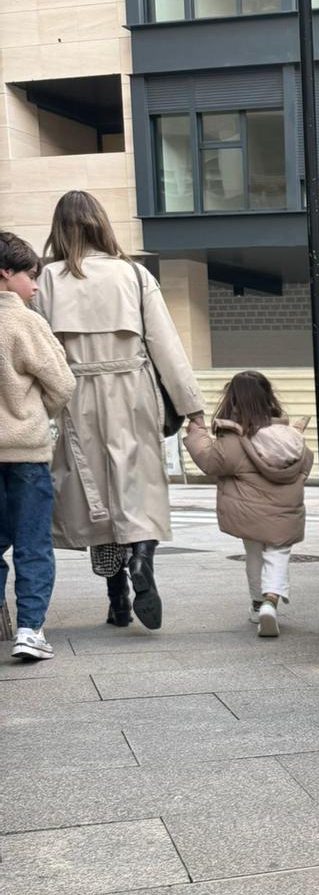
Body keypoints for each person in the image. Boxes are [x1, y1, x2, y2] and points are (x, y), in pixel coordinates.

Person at [35, 191, 204, 631]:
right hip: (132, 389)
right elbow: (166, 345)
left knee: (95, 495)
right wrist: (192, 407)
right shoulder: (133, 273)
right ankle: (143, 557)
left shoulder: (47, 278)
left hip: (73, 395)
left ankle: (118, 601)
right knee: (137, 484)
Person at [183, 371, 312, 637]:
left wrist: (197, 434)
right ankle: (271, 600)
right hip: (284, 513)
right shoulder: (289, 435)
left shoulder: (234, 440)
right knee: (278, 555)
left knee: (254, 555)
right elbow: (305, 463)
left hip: (249, 513)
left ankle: (257, 603)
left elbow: (209, 462)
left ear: (233, 401)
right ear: (269, 397)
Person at [0, 232, 76, 661]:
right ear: (6, 273)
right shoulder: (26, 322)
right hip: (26, 453)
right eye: (30, 276)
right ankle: (30, 629)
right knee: (33, 544)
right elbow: (62, 382)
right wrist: (37, 411)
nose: (34, 286)